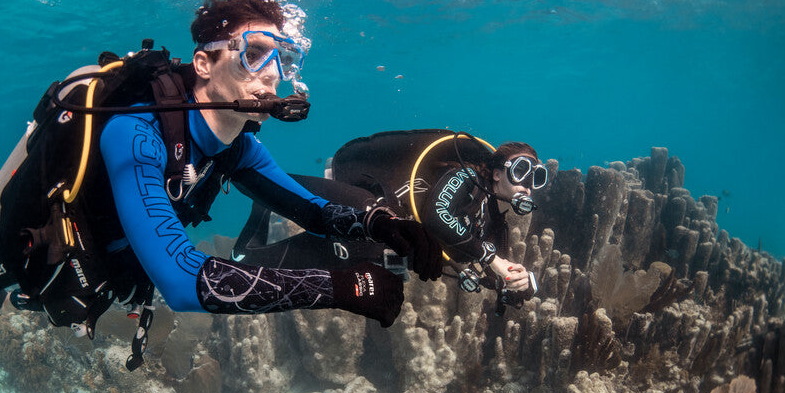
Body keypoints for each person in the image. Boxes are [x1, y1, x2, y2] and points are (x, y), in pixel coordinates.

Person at [0, 0, 443, 366]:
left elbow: (311, 208)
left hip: (103, 262)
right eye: (256, 53)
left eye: (281, 61)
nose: (272, 77)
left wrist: (387, 225)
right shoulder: (136, 133)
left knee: (8, 298)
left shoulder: (238, 146)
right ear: (204, 64)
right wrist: (344, 287)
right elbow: (185, 283)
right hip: (42, 244)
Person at [233, 130, 549, 309]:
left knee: (247, 260)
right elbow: (438, 217)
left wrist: (525, 284)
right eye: (520, 170)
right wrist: (491, 258)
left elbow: (499, 279)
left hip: (378, 249)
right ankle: (244, 173)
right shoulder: (465, 174)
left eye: (535, 177)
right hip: (369, 211)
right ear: (495, 172)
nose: (526, 183)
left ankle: (252, 234)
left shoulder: (493, 221)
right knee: (271, 185)